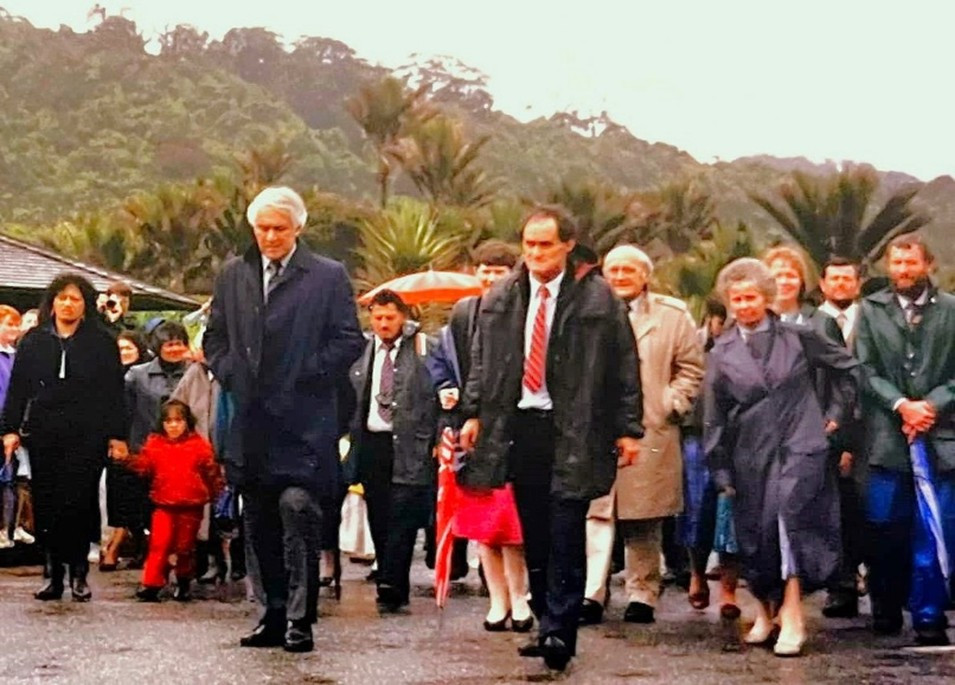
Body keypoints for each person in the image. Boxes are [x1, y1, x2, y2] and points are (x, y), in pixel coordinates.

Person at [459, 206, 643, 671]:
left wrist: (627, 429)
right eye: (529, 244)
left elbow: (625, 367)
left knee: (565, 529)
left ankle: (561, 630)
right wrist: (474, 412)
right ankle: (545, 620)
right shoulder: (502, 295)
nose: (536, 253)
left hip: (575, 428)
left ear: (566, 245)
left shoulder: (598, 300)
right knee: (534, 533)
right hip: (519, 427)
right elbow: (482, 359)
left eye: (545, 244)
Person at [204, 186, 364, 653]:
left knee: (299, 514)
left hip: (305, 422)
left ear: (298, 228)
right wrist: (231, 372)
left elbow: (348, 339)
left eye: (278, 228)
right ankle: (271, 613)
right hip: (251, 422)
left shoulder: (327, 276)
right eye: (262, 228)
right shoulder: (234, 274)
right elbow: (215, 337)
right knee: (258, 525)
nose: (269, 237)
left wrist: (308, 373)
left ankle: (300, 618)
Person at [703, 258, 857, 657]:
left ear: (767, 297)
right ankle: (765, 612)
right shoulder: (721, 351)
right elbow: (713, 415)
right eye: (736, 299)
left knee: (793, 525)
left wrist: (835, 417)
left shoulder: (799, 336)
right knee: (758, 533)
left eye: (751, 297)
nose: (743, 306)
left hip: (802, 443)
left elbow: (848, 369)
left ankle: (793, 614)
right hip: (750, 451)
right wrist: (719, 467)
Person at [582, 245, 704, 625]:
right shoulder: (589, 310)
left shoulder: (671, 315)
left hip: (652, 427)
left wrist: (672, 402)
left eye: (628, 270)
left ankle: (643, 593)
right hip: (596, 430)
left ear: (645, 276)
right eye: (613, 269)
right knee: (596, 513)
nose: (619, 277)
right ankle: (592, 593)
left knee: (644, 518)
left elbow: (691, 368)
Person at [427, 240, 533, 631]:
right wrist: (449, 392)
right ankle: (497, 599)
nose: (491, 277)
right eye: (484, 269)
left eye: (499, 270)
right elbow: (446, 361)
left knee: (512, 524)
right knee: (483, 523)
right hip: (471, 426)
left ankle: (521, 598)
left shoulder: (521, 310)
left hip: (511, 424)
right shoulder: (463, 311)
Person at [0, 273, 128, 601]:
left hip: (88, 433)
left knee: (80, 502)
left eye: (75, 299)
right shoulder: (33, 341)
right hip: (45, 433)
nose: (67, 304)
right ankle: (52, 573)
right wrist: (10, 430)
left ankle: (79, 574)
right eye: (62, 298)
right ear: (52, 302)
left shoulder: (100, 342)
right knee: (47, 502)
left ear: (85, 305)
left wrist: (117, 436)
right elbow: (17, 391)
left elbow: (114, 393)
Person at [855, 233, 955, 646]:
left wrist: (930, 405)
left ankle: (929, 615)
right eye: (895, 263)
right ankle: (886, 608)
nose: (902, 270)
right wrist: (901, 405)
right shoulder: (871, 310)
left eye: (910, 263)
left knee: (933, 528)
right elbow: (863, 369)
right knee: (885, 527)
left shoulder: (951, 310)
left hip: (941, 436)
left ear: (927, 264)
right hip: (887, 438)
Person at [347, 290, 437, 612]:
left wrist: (438, 437)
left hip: (411, 443)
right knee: (378, 512)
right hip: (372, 442)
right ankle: (387, 573)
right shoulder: (362, 351)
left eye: (390, 317)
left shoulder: (424, 349)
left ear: (403, 316)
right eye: (378, 317)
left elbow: (440, 394)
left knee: (403, 513)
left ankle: (393, 581)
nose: (384, 324)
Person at [112, 399, 222, 601]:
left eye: (178, 421)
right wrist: (126, 460)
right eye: (169, 421)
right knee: (158, 544)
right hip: (163, 505)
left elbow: (212, 474)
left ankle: (183, 580)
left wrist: (215, 496)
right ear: (161, 423)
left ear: (187, 422)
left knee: (184, 548)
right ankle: (152, 583)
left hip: (191, 507)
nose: (173, 425)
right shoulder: (155, 444)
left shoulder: (199, 446)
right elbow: (144, 466)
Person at [102, 322, 191, 571]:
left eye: (179, 343)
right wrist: (120, 442)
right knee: (136, 504)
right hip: (142, 448)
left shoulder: (193, 372)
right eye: (169, 344)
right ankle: (141, 549)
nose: (175, 349)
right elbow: (123, 411)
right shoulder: (136, 375)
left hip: (181, 452)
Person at [681, 298, 742, 619]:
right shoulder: (699, 344)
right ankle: (696, 574)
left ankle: (729, 590)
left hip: (738, 438)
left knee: (729, 512)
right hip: (698, 432)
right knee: (696, 510)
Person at [816, 257, 866, 619]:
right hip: (825, 430)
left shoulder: (874, 321)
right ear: (822, 284)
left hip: (871, 431)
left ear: (858, 283)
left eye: (847, 279)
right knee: (833, 512)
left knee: (868, 511)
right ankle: (841, 586)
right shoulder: (811, 322)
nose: (840, 285)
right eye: (834, 279)